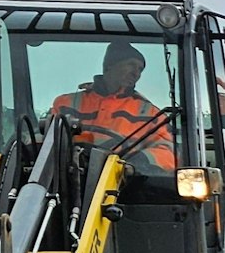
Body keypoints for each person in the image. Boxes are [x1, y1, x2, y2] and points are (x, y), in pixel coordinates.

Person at [50, 41, 176, 172]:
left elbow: (169, 153)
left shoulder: (151, 114)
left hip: (125, 185)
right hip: (66, 179)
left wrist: (138, 162)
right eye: (131, 65)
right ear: (109, 66)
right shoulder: (65, 104)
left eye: (140, 69)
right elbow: (42, 141)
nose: (136, 73)